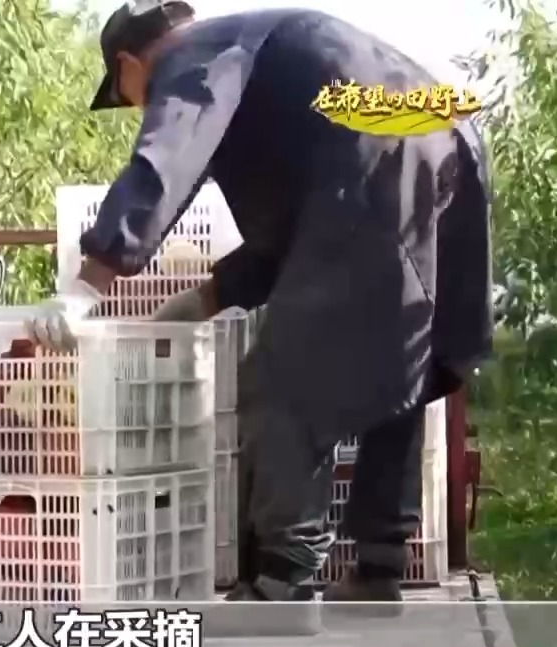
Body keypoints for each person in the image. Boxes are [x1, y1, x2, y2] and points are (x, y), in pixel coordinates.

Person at [27, 0, 492, 614]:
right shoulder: (275, 59)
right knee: (397, 363)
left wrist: (85, 287)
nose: (143, 108)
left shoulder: (194, 55)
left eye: (130, 96)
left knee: (281, 379)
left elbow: (163, 165)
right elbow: (301, 231)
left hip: (381, 158)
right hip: (450, 141)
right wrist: (206, 297)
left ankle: (282, 587)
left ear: (129, 65)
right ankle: (378, 571)